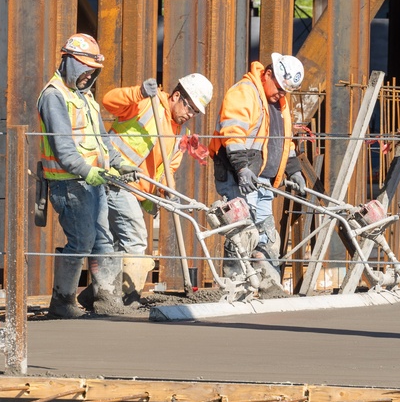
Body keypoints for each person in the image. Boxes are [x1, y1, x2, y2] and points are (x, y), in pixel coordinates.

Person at [37, 33, 127, 318]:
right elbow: (64, 149)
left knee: (102, 238)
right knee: (82, 240)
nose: (89, 76)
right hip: (70, 183)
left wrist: (118, 163)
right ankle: (62, 301)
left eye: (93, 72)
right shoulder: (54, 96)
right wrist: (89, 172)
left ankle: (106, 298)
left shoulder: (84, 95)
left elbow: (101, 137)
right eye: (85, 70)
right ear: (70, 62)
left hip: (92, 180)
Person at [102, 73, 214, 300]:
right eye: (189, 108)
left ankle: (100, 294)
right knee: (135, 237)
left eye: (195, 112)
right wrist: (139, 92)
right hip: (115, 180)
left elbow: (168, 169)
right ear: (176, 96)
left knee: (115, 244)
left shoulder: (179, 132)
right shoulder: (146, 104)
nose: (190, 115)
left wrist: (166, 191)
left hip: (136, 191)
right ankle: (127, 298)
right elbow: (108, 101)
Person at [208, 52, 307, 289]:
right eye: (280, 88)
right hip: (238, 176)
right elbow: (233, 132)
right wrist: (242, 167)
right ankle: (235, 285)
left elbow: (284, 141)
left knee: (266, 237)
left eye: (286, 91)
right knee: (242, 233)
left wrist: (294, 169)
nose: (282, 94)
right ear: (268, 74)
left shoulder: (279, 102)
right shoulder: (245, 92)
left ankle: (269, 287)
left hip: (263, 181)